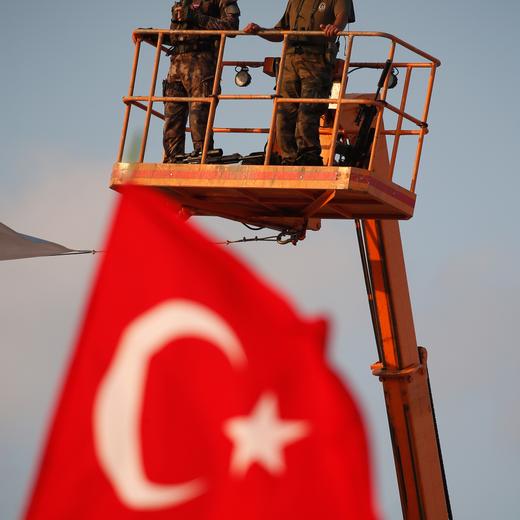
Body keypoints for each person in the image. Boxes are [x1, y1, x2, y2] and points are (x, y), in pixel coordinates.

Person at [244, 1, 355, 166]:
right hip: (290, 60)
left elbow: (342, 18)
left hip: (317, 60)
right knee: (284, 110)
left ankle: (308, 155)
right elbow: (281, 32)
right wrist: (260, 31)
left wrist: (334, 27)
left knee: (308, 110)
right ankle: (289, 157)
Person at [163, 0, 240, 163]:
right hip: (176, 64)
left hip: (202, 63)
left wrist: (197, 18)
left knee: (199, 114)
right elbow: (175, 36)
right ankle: (172, 156)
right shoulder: (184, 2)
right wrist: (147, 35)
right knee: (172, 114)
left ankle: (203, 152)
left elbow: (231, 28)